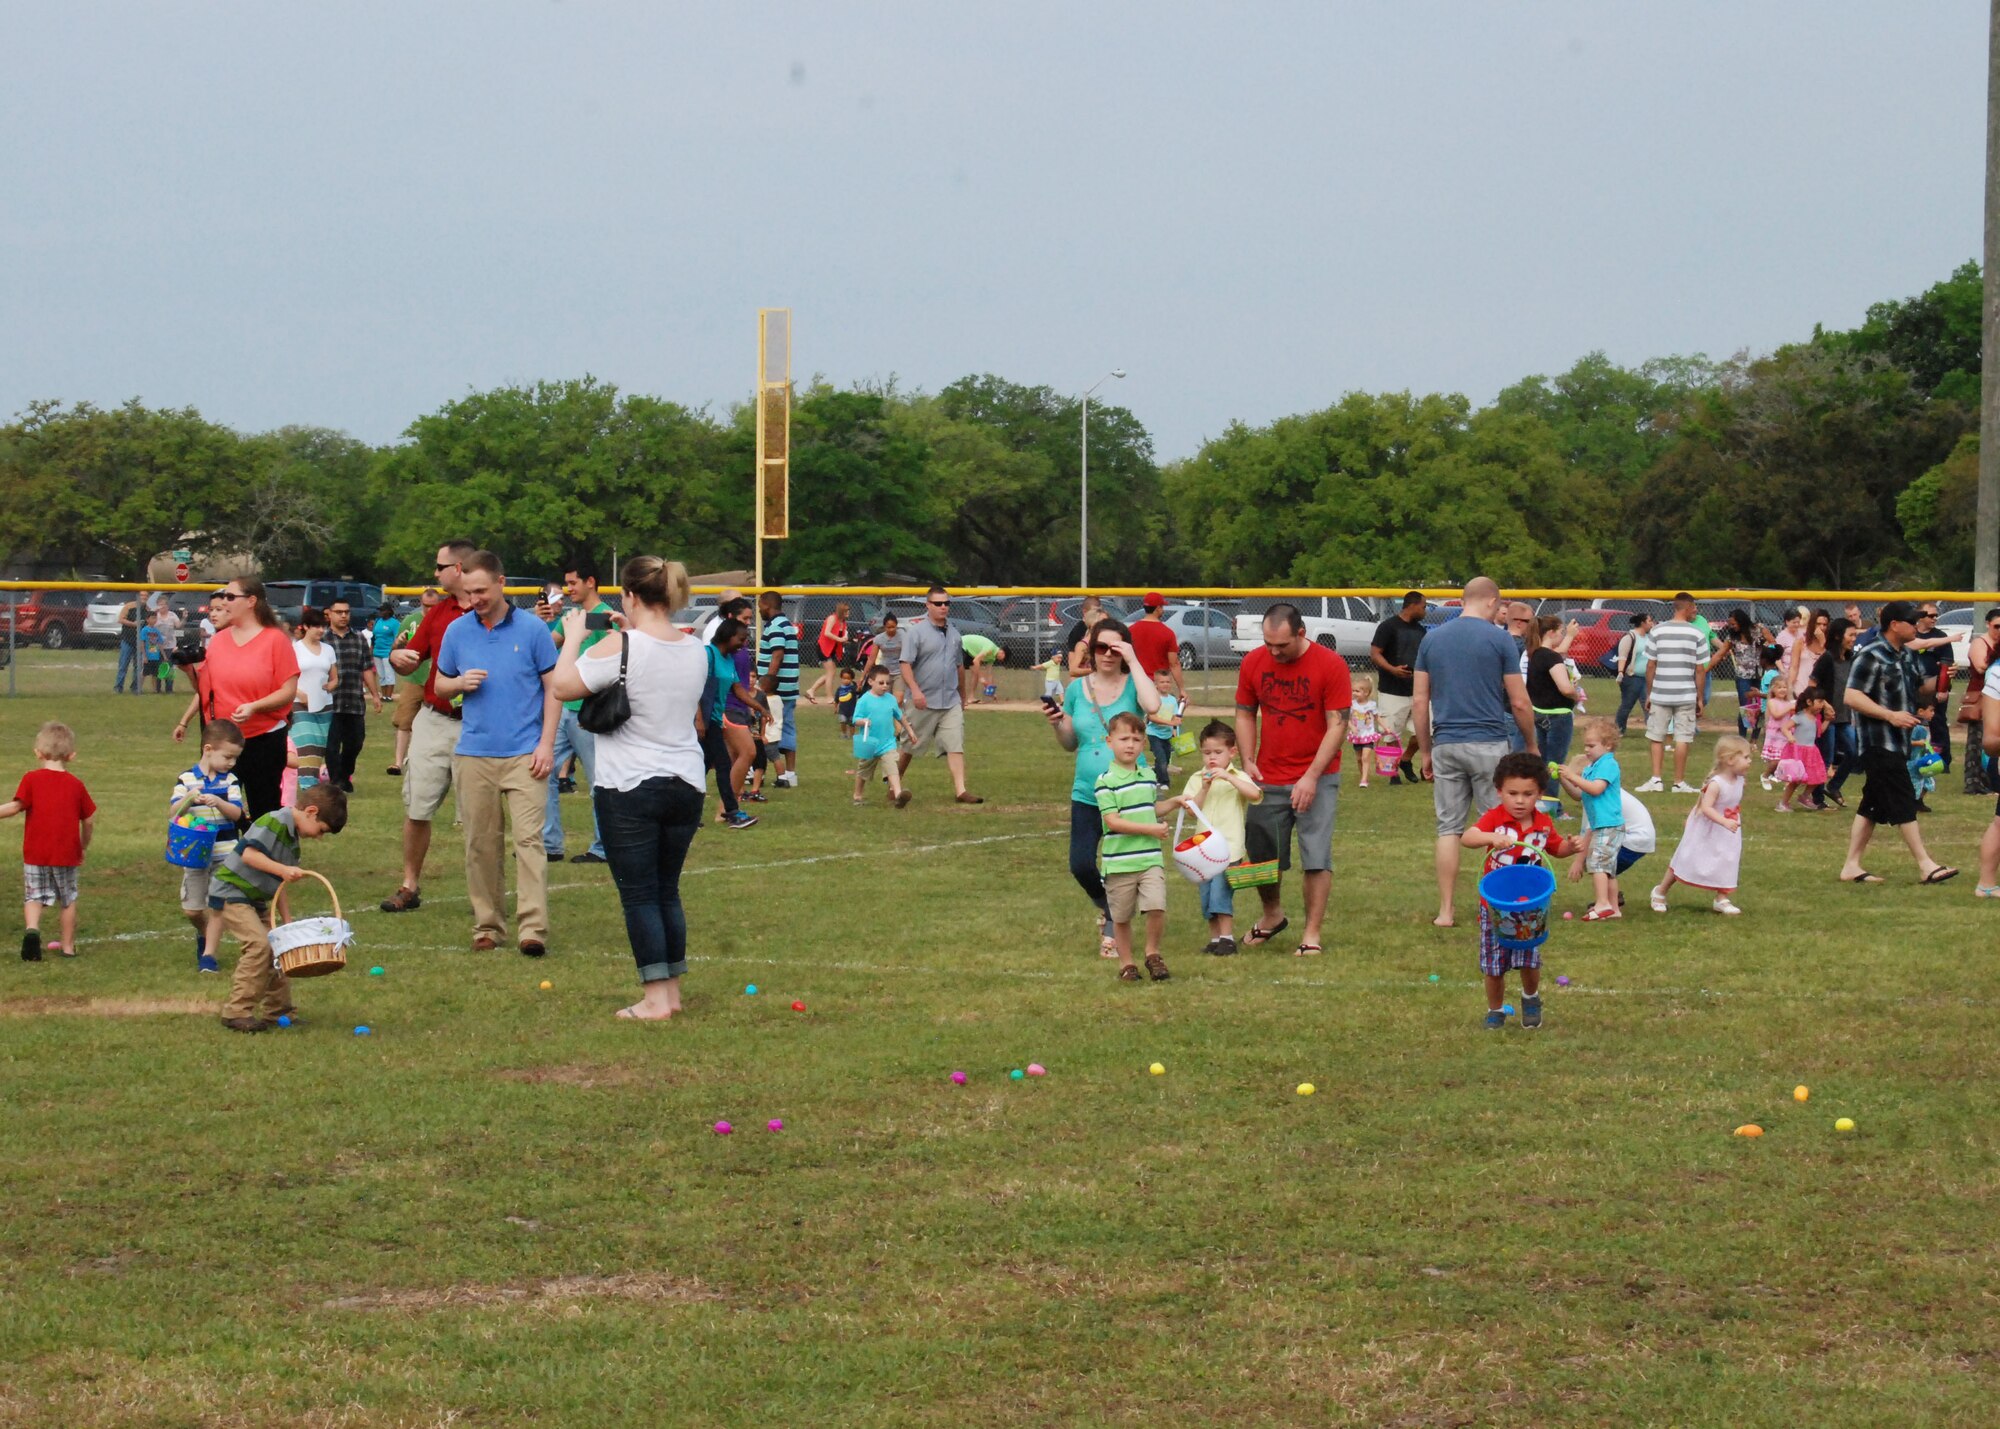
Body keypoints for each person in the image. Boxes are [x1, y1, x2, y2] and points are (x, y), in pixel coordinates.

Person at [549, 556, 709, 1021]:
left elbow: (562, 686)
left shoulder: (619, 645)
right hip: (686, 782)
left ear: (631, 596)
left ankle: (656, 999)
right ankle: (671, 990)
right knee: (666, 890)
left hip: (629, 785)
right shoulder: (694, 647)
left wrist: (576, 637)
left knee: (639, 893)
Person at [435, 551, 561, 957]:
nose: (475, 599)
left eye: (482, 591)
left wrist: (546, 744)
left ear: (501, 583)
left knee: (529, 842)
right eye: (468, 592)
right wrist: (458, 684)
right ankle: (487, 926)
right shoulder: (457, 631)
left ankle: (533, 930)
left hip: (526, 754)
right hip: (474, 753)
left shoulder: (534, 629)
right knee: (480, 844)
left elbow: (553, 689)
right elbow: (439, 684)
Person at [1412, 577, 1536, 928]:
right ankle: (1503, 904)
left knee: (1448, 828)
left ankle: (1446, 911)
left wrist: (1425, 751)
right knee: (1500, 825)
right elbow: (1519, 701)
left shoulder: (1431, 639)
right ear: (1492, 601)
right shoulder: (1499, 639)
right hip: (1489, 743)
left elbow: (1420, 701)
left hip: (1446, 743)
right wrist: (1531, 744)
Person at [1234, 603, 1351, 957]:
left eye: (1281, 645)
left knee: (1316, 856)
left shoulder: (1331, 665)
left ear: (1301, 634)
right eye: (1268, 643)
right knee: (1262, 854)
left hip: (1318, 775)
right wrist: (1248, 760)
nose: (1273, 652)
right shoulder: (1254, 662)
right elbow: (1244, 713)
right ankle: (1273, 915)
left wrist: (1311, 776)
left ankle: (1311, 933)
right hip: (1268, 776)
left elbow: (1338, 725)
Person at [1045, 618, 1161, 956]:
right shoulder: (1077, 690)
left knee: (1122, 863)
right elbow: (1070, 743)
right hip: (1087, 791)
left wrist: (1135, 660)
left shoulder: (1134, 685)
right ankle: (1109, 908)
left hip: (1129, 792)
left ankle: (1113, 929)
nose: (1107, 654)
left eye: (1115, 648)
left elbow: (1153, 707)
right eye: (1100, 647)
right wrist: (1056, 725)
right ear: (1090, 650)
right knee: (1080, 864)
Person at [210, 783, 346, 1032]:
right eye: (321, 830)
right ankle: (236, 1011)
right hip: (232, 891)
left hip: (255, 897)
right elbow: (249, 855)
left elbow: (281, 885)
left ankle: (279, 1011)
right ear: (311, 811)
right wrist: (283, 870)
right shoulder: (274, 821)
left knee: (278, 946)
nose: (318, 836)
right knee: (259, 945)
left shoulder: (292, 841)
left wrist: (286, 922)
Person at [1838, 601, 1958, 885]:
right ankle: (1925, 864)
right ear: (1894, 624)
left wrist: (1942, 681)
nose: (1917, 626)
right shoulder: (1871, 655)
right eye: (1911, 621)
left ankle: (1851, 866)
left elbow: (1920, 691)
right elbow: (1852, 696)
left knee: (1872, 805)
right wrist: (1889, 716)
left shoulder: (1906, 655)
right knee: (1904, 798)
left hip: (1899, 742)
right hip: (1878, 743)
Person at [1462, 752, 1576, 1031]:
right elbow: (1468, 837)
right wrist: (1491, 837)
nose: (1520, 800)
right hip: (1496, 906)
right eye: (1512, 793)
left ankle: (1530, 998)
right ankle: (1495, 1009)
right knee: (1493, 963)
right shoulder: (1495, 819)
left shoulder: (1543, 823)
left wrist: (1569, 849)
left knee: (1529, 958)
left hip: (1530, 907)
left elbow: (1555, 849)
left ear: (1540, 794)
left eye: (1528, 793)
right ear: (1499, 791)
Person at [173, 578, 299, 820]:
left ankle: (264, 854)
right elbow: (206, 689)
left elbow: (288, 690)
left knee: (264, 804)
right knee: (221, 803)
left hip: (265, 736)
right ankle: (228, 852)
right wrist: (190, 671)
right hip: (226, 739)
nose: (224, 602)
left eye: (231, 597)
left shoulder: (275, 639)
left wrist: (255, 706)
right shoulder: (219, 640)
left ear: (251, 601)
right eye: (223, 596)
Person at [1, 721, 96, 961]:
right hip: (66, 853)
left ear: (38, 753)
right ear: (72, 756)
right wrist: (83, 845)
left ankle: (32, 930)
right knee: (68, 899)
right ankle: (67, 947)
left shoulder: (31, 779)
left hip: (35, 852)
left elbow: (15, 807)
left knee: (33, 896)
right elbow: (89, 820)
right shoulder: (76, 785)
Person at [539, 562, 614, 865]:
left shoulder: (604, 616)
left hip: (591, 712)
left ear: (591, 582)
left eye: (573, 583)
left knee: (600, 783)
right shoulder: (571, 617)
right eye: (567, 583)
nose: (568, 589)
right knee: (542, 773)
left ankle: (603, 847)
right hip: (563, 709)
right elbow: (547, 646)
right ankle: (549, 844)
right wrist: (542, 622)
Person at [1096, 710, 1177, 983]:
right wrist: (1150, 829)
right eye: (1124, 738)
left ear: (1143, 744)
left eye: (1136, 739)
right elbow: (1113, 821)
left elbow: (1151, 809)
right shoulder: (1105, 782)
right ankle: (1127, 963)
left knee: (1156, 905)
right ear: (1110, 742)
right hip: (1119, 862)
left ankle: (1153, 953)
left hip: (1149, 859)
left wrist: (1175, 802)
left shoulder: (1147, 776)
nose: (1130, 744)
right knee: (1121, 917)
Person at [169, 718, 245, 973]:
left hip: (226, 853)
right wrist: (189, 798)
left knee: (217, 904)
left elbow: (237, 815)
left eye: (235, 758)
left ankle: (209, 956)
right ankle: (204, 934)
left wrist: (219, 802)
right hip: (194, 854)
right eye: (228, 757)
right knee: (192, 909)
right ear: (208, 749)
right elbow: (172, 813)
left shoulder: (230, 781)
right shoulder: (187, 778)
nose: (231, 763)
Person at [1181, 719, 1263, 955]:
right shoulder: (1197, 779)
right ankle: (1215, 938)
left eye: (1218, 752)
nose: (1212, 758)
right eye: (1207, 753)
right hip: (1202, 850)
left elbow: (1255, 794)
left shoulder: (1237, 776)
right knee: (1207, 895)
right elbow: (1189, 810)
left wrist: (1229, 778)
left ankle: (1227, 937)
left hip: (1229, 848)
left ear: (1232, 752)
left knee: (1221, 891)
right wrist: (1205, 787)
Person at [899, 585, 982, 804]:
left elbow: (959, 667)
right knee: (910, 745)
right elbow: (905, 665)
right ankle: (895, 783)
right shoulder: (916, 632)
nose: (943, 607)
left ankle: (961, 791)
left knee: (955, 744)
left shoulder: (954, 633)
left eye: (946, 603)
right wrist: (915, 691)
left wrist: (963, 695)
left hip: (950, 700)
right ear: (928, 605)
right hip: (923, 701)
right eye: (938, 603)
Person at [1651, 736, 1750, 915]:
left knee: (1727, 860)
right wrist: (1724, 821)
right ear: (1729, 760)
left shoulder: (1740, 780)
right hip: (1707, 829)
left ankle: (1721, 898)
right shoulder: (1716, 784)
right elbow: (1706, 808)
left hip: (1728, 830)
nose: (1749, 761)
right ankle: (1660, 891)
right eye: (1746, 757)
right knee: (1686, 858)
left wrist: (1729, 822)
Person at [1636, 593, 1707, 794]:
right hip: (1685, 694)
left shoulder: (1657, 631)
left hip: (1661, 692)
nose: (1696, 611)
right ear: (1687, 607)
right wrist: (1699, 697)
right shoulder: (1697, 634)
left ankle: (1656, 779)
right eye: (1694, 607)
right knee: (1683, 737)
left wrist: (1649, 693)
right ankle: (1678, 782)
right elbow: (1700, 669)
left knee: (1656, 736)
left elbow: (1651, 665)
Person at [1555, 716, 1625, 920]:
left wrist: (1572, 776)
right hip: (1600, 825)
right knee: (1609, 869)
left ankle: (1602, 904)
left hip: (1609, 824)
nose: (1586, 750)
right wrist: (1564, 779)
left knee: (1599, 864)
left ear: (1608, 745)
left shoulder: (1609, 764)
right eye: (1585, 745)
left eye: (1591, 745)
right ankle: (1613, 908)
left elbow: (1596, 789)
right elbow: (1579, 794)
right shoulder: (1591, 768)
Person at [699, 618, 761, 829]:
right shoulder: (708, 655)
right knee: (723, 764)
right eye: (741, 639)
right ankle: (732, 812)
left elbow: (738, 690)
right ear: (727, 636)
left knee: (702, 767)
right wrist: (699, 720)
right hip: (703, 722)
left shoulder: (728, 660)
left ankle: (687, 814)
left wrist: (760, 707)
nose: (744, 644)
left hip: (715, 720)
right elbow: (695, 688)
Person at [1368, 591, 1427, 782]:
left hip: (1416, 690)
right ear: (1412, 605)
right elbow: (1375, 653)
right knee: (1392, 733)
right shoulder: (1388, 627)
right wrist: (1393, 670)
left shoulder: (1421, 631)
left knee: (1425, 733)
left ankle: (1406, 759)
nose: (1425, 611)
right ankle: (1392, 772)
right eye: (1423, 606)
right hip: (1392, 690)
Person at [322, 598, 379, 793]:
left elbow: (366, 668)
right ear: (329, 614)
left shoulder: (359, 638)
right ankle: (337, 780)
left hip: (354, 700)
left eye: (346, 612)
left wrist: (375, 695)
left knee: (355, 743)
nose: (344, 615)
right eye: (339, 612)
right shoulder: (323, 639)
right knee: (331, 746)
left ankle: (344, 774)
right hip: (330, 702)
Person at [1570, 780, 1655, 904]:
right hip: (1638, 837)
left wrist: (1578, 862)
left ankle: (1606, 903)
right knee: (1604, 865)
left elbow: (1591, 831)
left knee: (1600, 864)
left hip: (1634, 838)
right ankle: (1612, 901)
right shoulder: (1606, 790)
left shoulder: (1600, 796)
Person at [386, 588, 440, 776]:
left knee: (438, 723)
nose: (429, 610)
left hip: (438, 679)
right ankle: (398, 763)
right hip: (414, 678)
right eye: (426, 606)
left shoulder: (445, 621)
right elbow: (395, 650)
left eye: (433, 606)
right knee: (404, 721)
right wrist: (399, 643)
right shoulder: (411, 621)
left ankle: (430, 765)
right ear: (420, 603)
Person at [1526, 616, 1580, 798]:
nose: (1561, 636)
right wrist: (1576, 694)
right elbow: (1565, 688)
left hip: (1539, 714)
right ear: (1551, 633)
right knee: (1554, 764)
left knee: (1543, 761)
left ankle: (1539, 799)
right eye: (1561, 632)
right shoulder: (1552, 657)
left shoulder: (1536, 653)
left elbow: (1558, 652)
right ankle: (1551, 806)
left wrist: (1570, 635)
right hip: (1558, 716)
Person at [1809, 620, 1858, 810]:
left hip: (1844, 717)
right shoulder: (1827, 658)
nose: (1854, 639)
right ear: (1838, 636)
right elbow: (1812, 686)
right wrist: (1826, 705)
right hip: (1827, 718)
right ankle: (1817, 798)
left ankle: (1834, 786)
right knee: (1825, 758)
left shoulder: (1851, 659)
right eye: (1850, 635)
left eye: (1855, 635)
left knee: (1853, 753)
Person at [756, 591, 802, 788]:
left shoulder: (775, 626)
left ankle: (760, 769)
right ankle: (790, 773)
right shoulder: (788, 625)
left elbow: (777, 655)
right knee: (787, 726)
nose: (759, 610)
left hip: (777, 688)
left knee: (766, 727)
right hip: (789, 685)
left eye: (760, 605)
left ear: (767, 604)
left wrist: (766, 684)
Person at [288, 607, 337, 791]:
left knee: (318, 744)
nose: (320, 630)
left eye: (323, 627)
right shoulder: (295, 649)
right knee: (304, 742)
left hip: (324, 704)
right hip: (299, 703)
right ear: (306, 627)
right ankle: (304, 782)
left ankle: (313, 780)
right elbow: (287, 678)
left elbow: (334, 677)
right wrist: (300, 694)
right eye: (316, 626)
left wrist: (332, 685)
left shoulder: (328, 649)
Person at [851, 665, 914, 807]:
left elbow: (900, 716)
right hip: (870, 743)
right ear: (871, 682)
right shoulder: (864, 700)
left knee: (892, 768)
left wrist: (910, 731)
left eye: (888, 683)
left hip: (888, 743)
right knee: (863, 771)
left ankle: (898, 795)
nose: (885, 686)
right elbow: (855, 720)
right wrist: (863, 721)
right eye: (881, 683)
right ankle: (858, 795)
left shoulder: (891, 699)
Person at [1775, 685, 1831, 813]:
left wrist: (1827, 720)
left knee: (1818, 776)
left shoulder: (1816, 718)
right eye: (1820, 702)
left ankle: (1804, 797)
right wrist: (1790, 737)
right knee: (1795, 780)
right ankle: (1783, 803)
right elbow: (1784, 727)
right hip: (1799, 752)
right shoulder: (1799, 716)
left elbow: (1819, 731)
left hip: (1812, 752)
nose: (1822, 705)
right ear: (1809, 702)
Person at [1963, 608, 2000, 796]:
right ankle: (1975, 782)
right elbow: (1980, 665)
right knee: (1978, 741)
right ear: (1987, 624)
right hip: (1981, 695)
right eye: (1996, 626)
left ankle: (1991, 780)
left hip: (1994, 695)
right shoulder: (1981, 642)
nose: (1999, 630)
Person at [1128, 593, 1187, 705]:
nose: (1163, 610)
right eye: (1162, 607)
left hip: (1134, 683)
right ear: (1158, 608)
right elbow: (1174, 664)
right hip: (1156, 685)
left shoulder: (1131, 630)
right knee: (1158, 720)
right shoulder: (1167, 633)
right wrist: (1181, 689)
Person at [1611, 612, 1654, 734]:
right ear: (1642, 623)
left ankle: (1652, 730)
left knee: (1649, 704)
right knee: (1626, 705)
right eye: (1650, 621)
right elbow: (1622, 657)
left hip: (1646, 678)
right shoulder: (1630, 637)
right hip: (1632, 678)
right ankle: (1619, 730)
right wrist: (1620, 673)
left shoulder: (1649, 637)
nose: (1652, 624)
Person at [805, 600, 851, 706]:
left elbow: (841, 635)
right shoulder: (832, 618)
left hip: (832, 649)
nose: (848, 612)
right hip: (823, 647)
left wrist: (844, 639)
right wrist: (840, 639)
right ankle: (829, 697)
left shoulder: (843, 622)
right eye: (846, 610)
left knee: (831, 672)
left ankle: (811, 690)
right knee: (831, 672)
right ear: (841, 611)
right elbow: (827, 633)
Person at [1145, 667, 1183, 790]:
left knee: (1165, 760)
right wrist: (1169, 723)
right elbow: (1152, 717)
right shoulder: (1154, 698)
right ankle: (1164, 782)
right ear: (1155, 684)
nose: (1165, 684)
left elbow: (1174, 717)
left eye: (1168, 682)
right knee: (1161, 758)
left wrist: (1174, 730)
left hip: (1167, 734)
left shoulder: (1172, 700)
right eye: (1162, 682)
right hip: (1154, 733)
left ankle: (1154, 776)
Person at [1908, 690, 1941, 813]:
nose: (1933, 713)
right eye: (1931, 710)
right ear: (1921, 711)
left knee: (1928, 781)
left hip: (1924, 759)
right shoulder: (1915, 727)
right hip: (1913, 760)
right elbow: (1907, 742)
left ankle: (1919, 801)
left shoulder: (1925, 725)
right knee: (1915, 782)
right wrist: (1919, 743)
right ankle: (1911, 802)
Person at [1348, 674, 1379, 788]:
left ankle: (1364, 780)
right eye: (1353, 691)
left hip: (1368, 734)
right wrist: (1352, 727)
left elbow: (1377, 717)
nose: (1354, 693)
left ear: (1366, 693)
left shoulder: (1371, 705)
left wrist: (1386, 727)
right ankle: (1363, 775)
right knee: (1359, 759)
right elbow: (1346, 718)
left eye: (1357, 691)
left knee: (1365, 757)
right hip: (1357, 735)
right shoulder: (1352, 705)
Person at [114, 590, 147, 694]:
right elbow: (120, 619)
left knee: (138, 667)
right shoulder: (129, 606)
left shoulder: (147, 609)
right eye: (142, 595)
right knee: (123, 665)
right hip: (127, 640)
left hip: (140, 643)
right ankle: (118, 687)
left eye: (146, 596)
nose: (144, 597)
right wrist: (133, 624)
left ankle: (135, 688)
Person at [865, 614, 905, 699]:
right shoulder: (879, 638)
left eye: (893, 627)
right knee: (885, 697)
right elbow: (872, 658)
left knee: (899, 699)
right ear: (884, 627)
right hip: (885, 672)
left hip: (899, 671)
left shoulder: (903, 635)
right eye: (888, 627)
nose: (891, 630)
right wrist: (863, 676)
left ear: (896, 625)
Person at [960, 633, 1008, 704]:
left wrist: (991, 690)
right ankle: (958, 699)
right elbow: (976, 660)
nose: (1001, 660)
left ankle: (971, 698)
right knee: (958, 671)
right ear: (1002, 652)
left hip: (970, 652)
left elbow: (989, 674)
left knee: (975, 673)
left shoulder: (993, 657)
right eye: (1003, 658)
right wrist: (981, 678)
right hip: (962, 644)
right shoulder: (991, 648)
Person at [371, 602, 400, 692]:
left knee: (389, 674)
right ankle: (383, 695)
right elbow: (374, 637)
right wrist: (371, 649)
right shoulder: (378, 621)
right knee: (381, 675)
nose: (380, 612)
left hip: (387, 652)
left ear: (388, 611)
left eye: (382, 610)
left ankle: (389, 696)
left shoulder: (394, 623)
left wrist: (393, 651)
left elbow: (397, 638)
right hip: (377, 652)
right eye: (380, 610)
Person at [139, 610, 166, 694]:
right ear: (147, 619)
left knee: (155, 674)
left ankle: (154, 690)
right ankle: (139, 688)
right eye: (153, 618)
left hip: (156, 656)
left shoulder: (156, 631)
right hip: (148, 656)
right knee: (144, 673)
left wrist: (164, 655)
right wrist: (144, 656)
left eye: (156, 618)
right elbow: (142, 643)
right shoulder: (144, 630)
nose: (154, 620)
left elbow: (160, 644)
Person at [834, 667, 860, 735]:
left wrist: (859, 688)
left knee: (852, 723)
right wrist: (835, 708)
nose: (846, 680)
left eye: (848, 679)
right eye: (844, 678)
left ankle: (852, 735)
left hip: (852, 710)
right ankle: (844, 733)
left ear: (851, 679)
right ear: (841, 678)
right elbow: (836, 699)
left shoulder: (853, 688)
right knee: (843, 722)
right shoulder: (839, 689)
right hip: (842, 710)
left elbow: (858, 692)